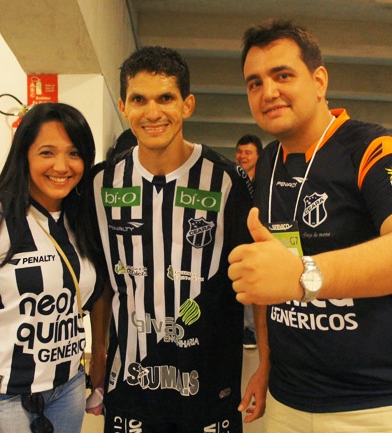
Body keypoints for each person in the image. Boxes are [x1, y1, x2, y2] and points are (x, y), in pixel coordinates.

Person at [228, 20, 392, 432]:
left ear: (319, 81)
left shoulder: (371, 148)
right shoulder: (267, 164)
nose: (268, 92)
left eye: (282, 75)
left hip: (385, 402)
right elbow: (267, 278)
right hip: (291, 399)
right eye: (254, 83)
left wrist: (303, 275)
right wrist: (265, 364)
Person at [91, 46, 267, 432]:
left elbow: (256, 283)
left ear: (187, 105)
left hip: (209, 389)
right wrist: (97, 354)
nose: (152, 112)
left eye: (165, 98)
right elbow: (103, 282)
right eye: (139, 99)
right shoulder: (102, 183)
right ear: (123, 106)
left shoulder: (227, 181)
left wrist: (266, 363)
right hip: (130, 389)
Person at [0, 102, 111, 433]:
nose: (61, 166)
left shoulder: (82, 219)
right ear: (25, 155)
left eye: (74, 153)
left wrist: (99, 358)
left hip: (67, 390)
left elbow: (99, 293)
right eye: (47, 153)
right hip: (0, 398)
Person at [235, 133, 263, 350]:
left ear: (258, 156)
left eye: (248, 152)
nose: (242, 156)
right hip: (235, 239)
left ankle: (251, 330)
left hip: (257, 241)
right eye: (239, 151)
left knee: (254, 284)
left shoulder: (264, 182)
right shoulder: (232, 179)